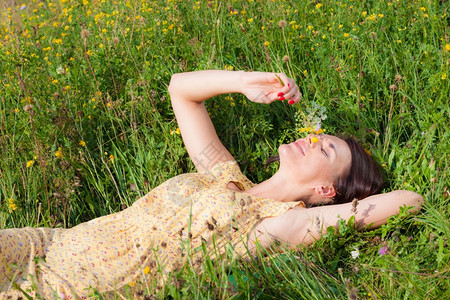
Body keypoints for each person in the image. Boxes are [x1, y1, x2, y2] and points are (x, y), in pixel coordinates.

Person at [0, 70, 423, 299]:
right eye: (318, 136)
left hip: (65, 290)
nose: (312, 139)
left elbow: (411, 199)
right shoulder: (224, 172)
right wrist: (245, 82)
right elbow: (181, 89)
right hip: (41, 244)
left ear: (325, 192)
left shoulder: (276, 228)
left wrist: (349, 205)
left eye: (325, 150)